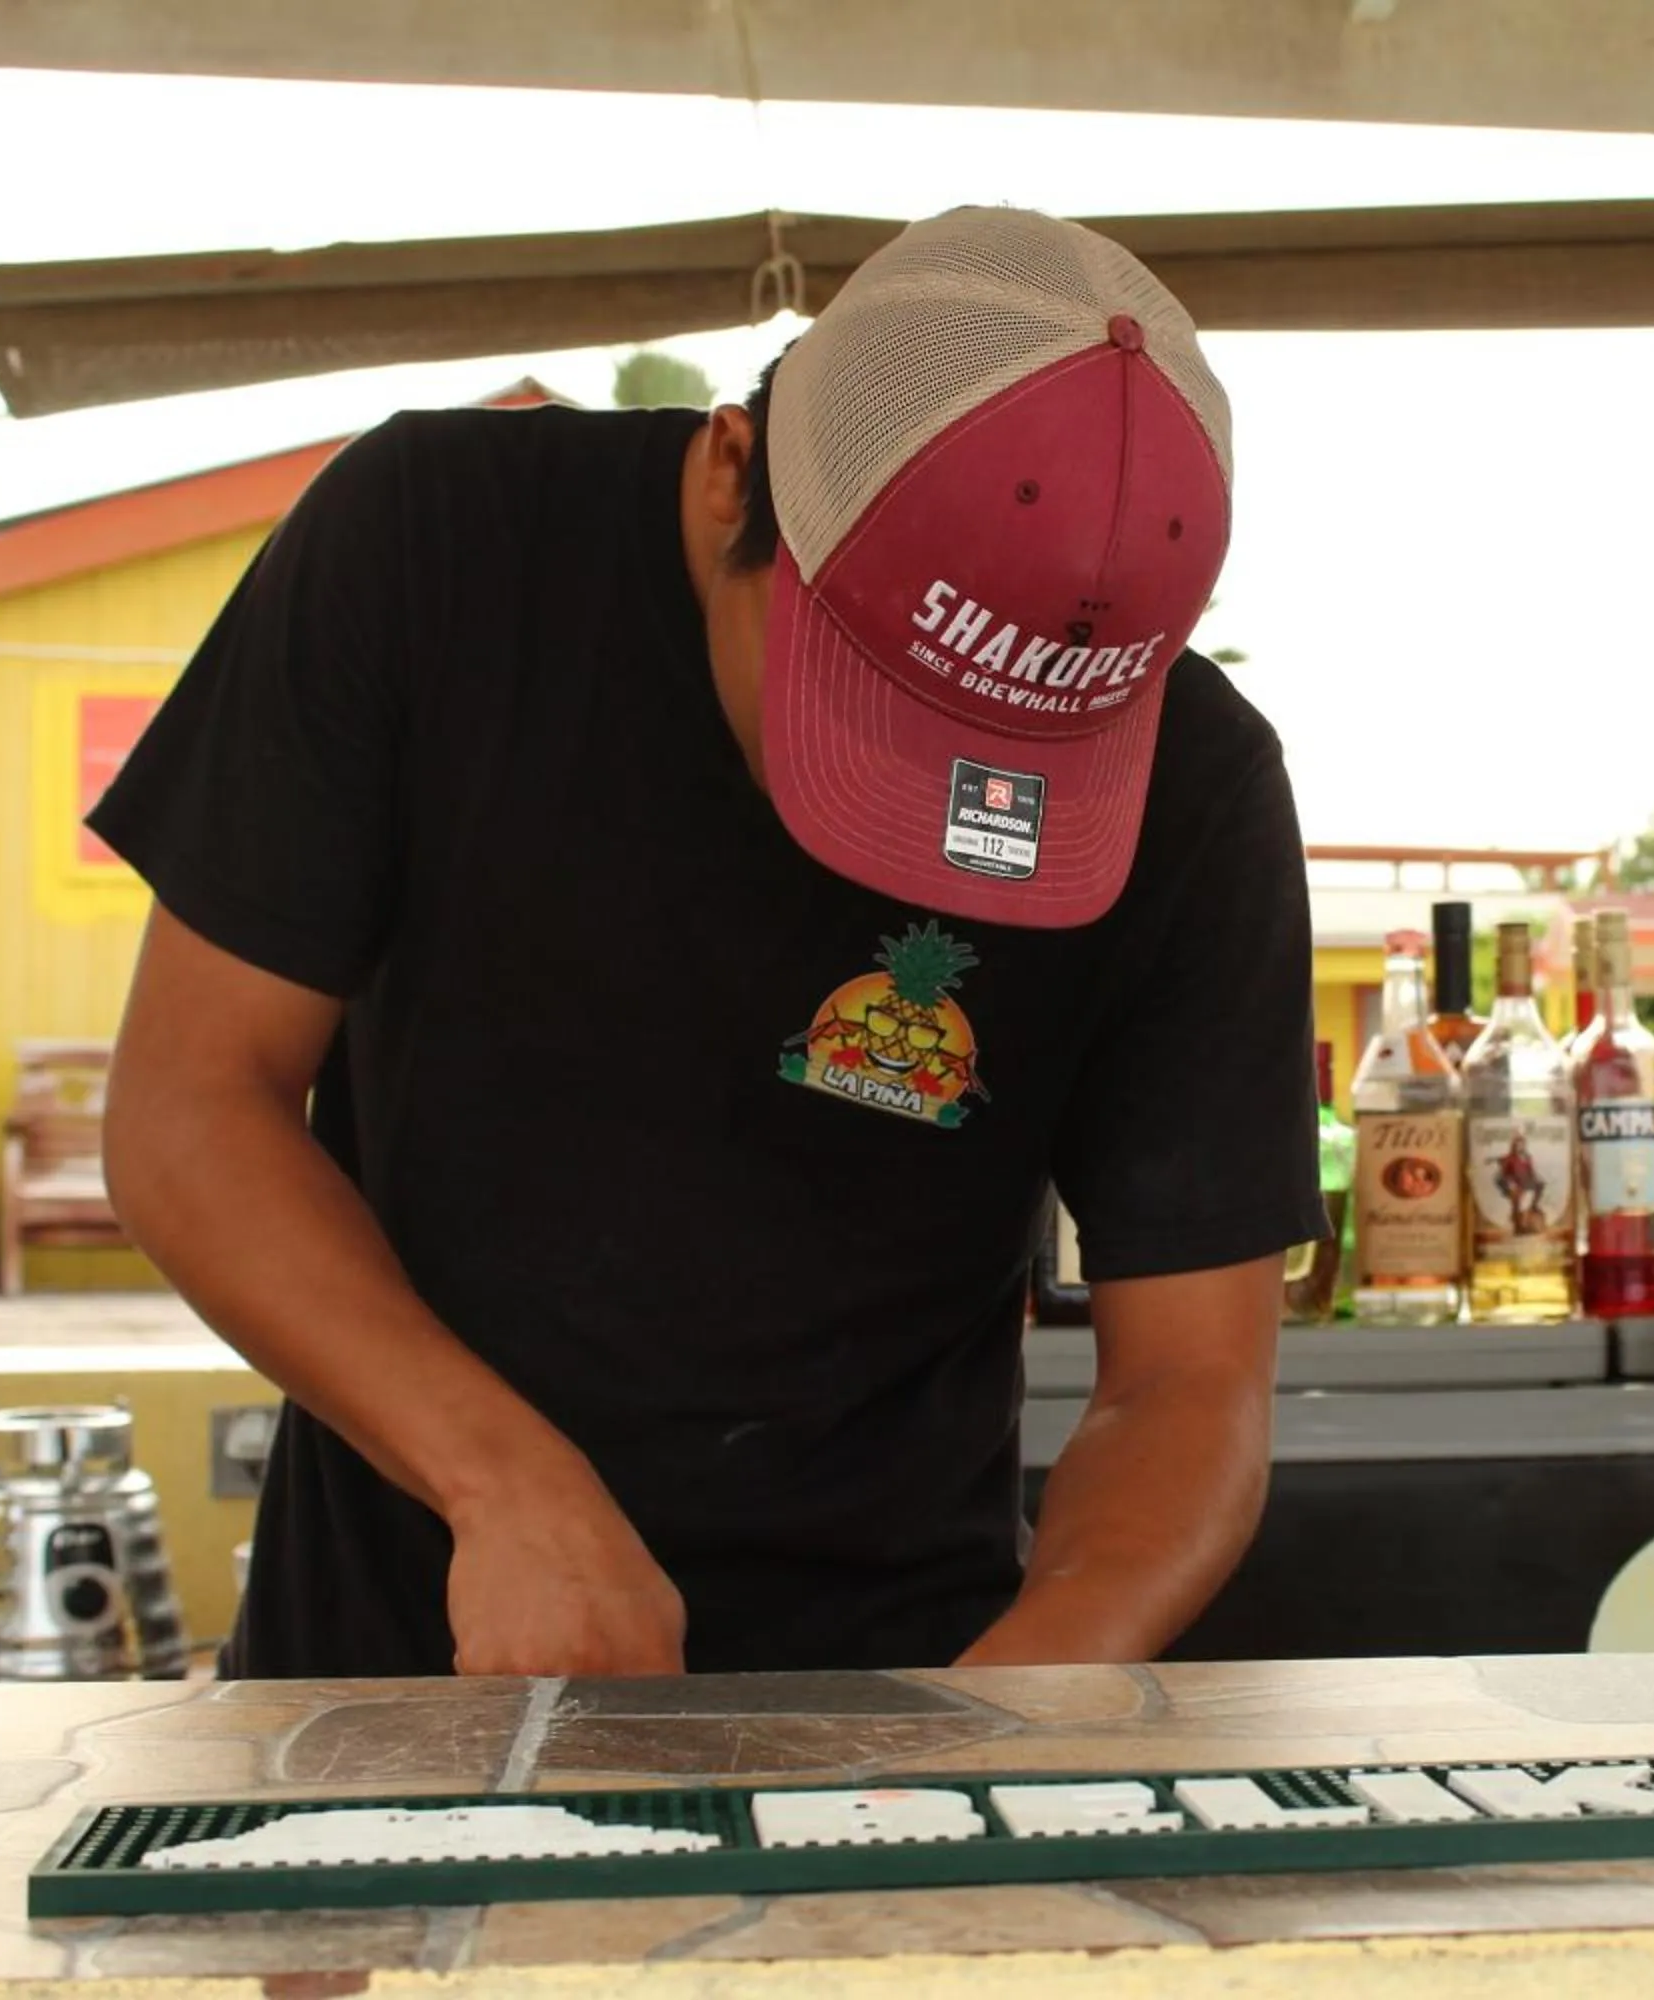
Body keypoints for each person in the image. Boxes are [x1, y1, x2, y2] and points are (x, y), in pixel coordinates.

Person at [93, 207, 1322, 1680]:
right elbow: (191, 1105)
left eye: (1009, 768)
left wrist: (1023, 1705)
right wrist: (501, 1485)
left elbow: (1188, 1382)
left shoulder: (1195, 787)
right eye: (876, 718)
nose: (929, 830)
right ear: (734, 465)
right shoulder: (434, 548)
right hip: (400, 1667)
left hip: (903, 1683)